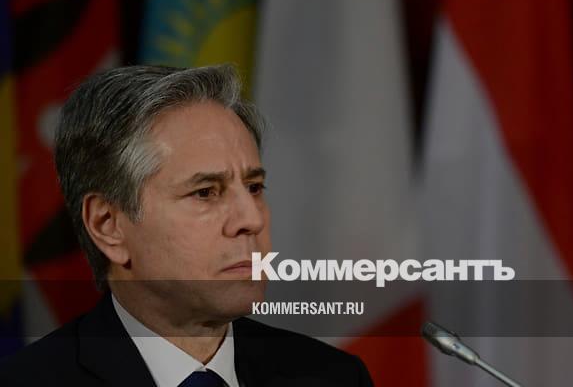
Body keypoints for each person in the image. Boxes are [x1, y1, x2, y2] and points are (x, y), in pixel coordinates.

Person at [0, 65, 373, 386]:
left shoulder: (335, 377)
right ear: (108, 225)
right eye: (206, 192)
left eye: (254, 187)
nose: (252, 219)